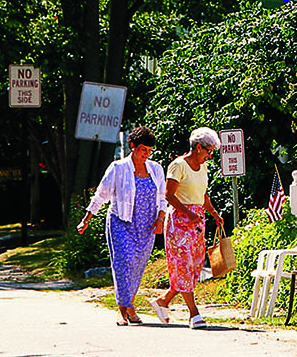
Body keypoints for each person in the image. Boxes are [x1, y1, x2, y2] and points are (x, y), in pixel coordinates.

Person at [77, 126, 167, 326]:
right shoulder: (118, 168)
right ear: (132, 146)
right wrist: (87, 218)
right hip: (121, 221)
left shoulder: (156, 169)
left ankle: (130, 306)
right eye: (143, 149)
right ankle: (123, 311)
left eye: (149, 151)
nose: (146, 154)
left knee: (137, 267)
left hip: (147, 226)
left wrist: (160, 219)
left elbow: (162, 197)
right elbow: (101, 194)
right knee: (124, 261)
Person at [150, 127, 224, 329]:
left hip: (197, 221)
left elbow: (203, 194)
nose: (210, 156)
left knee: (194, 267)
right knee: (183, 264)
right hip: (179, 222)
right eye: (208, 151)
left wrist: (214, 213)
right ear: (198, 147)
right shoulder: (178, 165)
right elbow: (169, 195)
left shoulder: (204, 167)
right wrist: (188, 213)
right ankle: (194, 314)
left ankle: (163, 301)